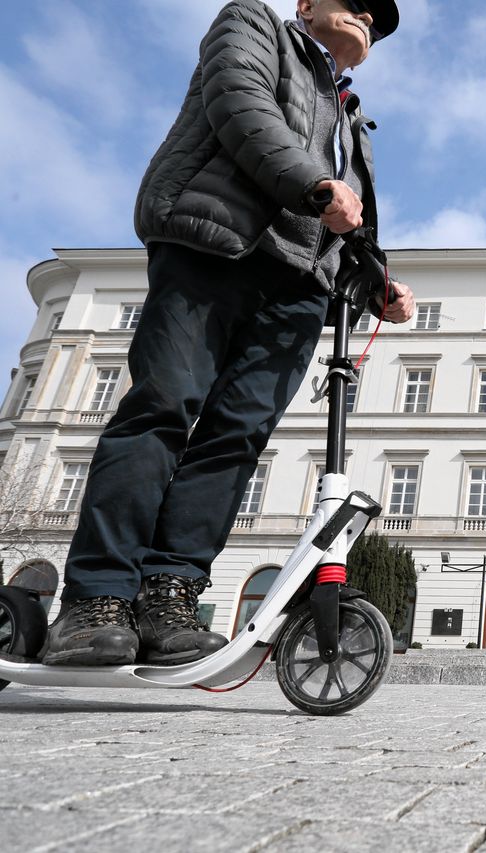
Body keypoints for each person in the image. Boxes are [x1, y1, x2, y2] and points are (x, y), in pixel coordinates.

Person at [42, 0, 414, 667]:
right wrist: (314, 183)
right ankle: (94, 598)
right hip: (217, 246)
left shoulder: (355, 123)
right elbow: (242, 106)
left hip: (300, 290)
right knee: (164, 407)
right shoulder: (253, 25)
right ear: (305, 4)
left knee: (235, 439)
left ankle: (169, 596)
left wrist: (375, 282)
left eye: (376, 17)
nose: (364, 13)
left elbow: (356, 224)